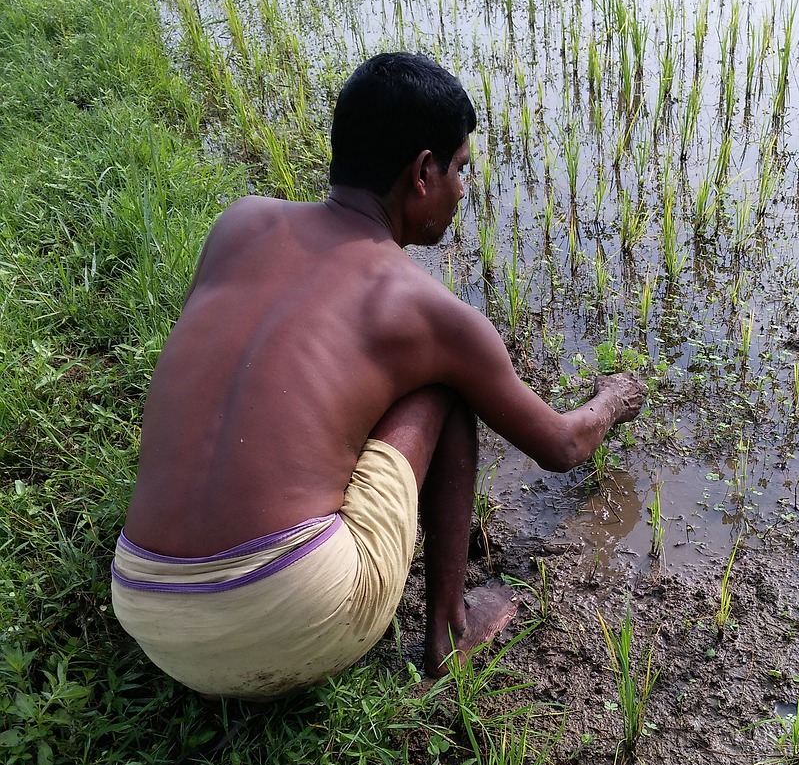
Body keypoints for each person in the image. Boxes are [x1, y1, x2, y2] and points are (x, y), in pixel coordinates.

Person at [111, 53, 644, 699]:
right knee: (445, 386)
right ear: (422, 173)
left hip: (144, 603)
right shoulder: (425, 311)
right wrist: (614, 398)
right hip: (287, 613)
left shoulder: (239, 223)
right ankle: (449, 631)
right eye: (461, 171)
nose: (462, 191)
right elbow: (561, 446)